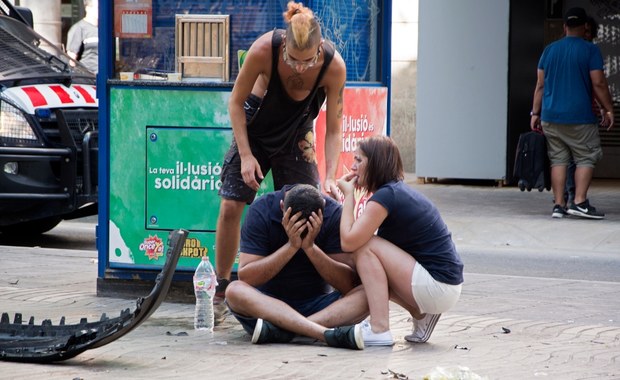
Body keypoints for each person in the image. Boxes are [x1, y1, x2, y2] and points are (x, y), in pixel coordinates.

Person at [214, 1, 346, 320]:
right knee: (231, 205)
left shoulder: (333, 66)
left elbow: (333, 129)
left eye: (307, 61)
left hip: (297, 134)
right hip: (256, 128)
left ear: (319, 51)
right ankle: (221, 288)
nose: (300, 68)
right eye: (293, 60)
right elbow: (234, 103)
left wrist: (331, 174)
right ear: (284, 45)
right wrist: (246, 156)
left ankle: (298, 289)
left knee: (306, 207)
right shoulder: (264, 49)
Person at [336, 136, 464, 346]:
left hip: (440, 286)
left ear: (375, 163)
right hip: (444, 286)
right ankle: (422, 315)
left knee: (364, 247)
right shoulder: (394, 192)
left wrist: (348, 196)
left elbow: (349, 242)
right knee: (368, 265)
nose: (353, 166)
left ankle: (379, 329)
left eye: (359, 160)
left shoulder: (386, 197)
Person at [224, 184, 368, 350]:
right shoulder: (261, 209)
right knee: (234, 290)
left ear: (323, 209)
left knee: (371, 292)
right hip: (267, 308)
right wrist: (291, 247)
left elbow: (349, 284)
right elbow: (247, 277)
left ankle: (286, 332)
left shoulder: (334, 213)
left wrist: (310, 248)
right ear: (281, 207)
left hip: (320, 309)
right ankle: (321, 333)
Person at [531, 7, 614, 219]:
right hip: (579, 117)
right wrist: (608, 108)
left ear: (565, 26)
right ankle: (579, 202)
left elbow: (540, 85)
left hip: (550, 116)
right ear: (585, 26)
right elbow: (598, 83)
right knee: (586, 156)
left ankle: (558, 205)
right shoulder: (589, 50)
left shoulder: (549, 50)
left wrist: (535, 112)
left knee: (558, 160)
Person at [66, 0, 99, 74]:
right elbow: (71, 59)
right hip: (87, 77)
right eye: (98, 7)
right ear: (88, 8)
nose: (101, 11)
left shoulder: (104, 29)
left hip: (103, 76)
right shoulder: (79, 29)